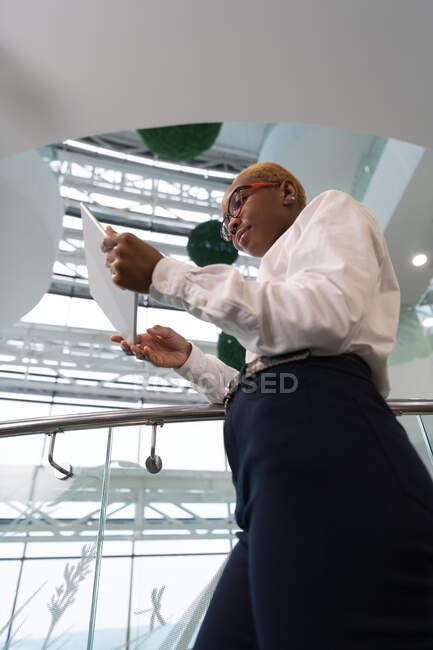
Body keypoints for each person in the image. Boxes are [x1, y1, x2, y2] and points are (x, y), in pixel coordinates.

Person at [102, 162, 433, 649]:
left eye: (236, 203)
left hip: (325, 453)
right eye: (225, 222)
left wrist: (164, 274)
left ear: (286, 191)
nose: (232, 225)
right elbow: (274, 381)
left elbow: (321, 323)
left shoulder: (331, 210)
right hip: (274, 474)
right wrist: (191, 362)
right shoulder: (277, 286)